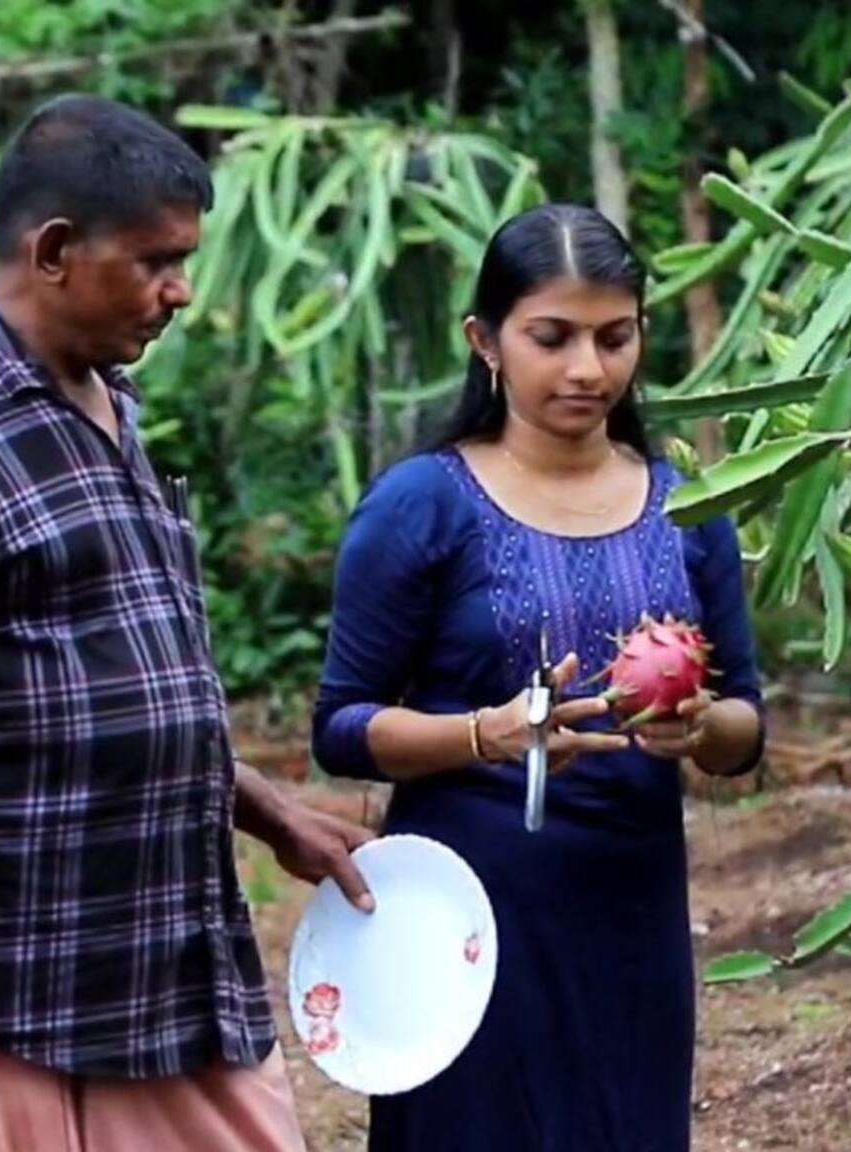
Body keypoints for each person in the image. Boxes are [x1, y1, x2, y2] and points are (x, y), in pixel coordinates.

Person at [0, 93, 375, 1152]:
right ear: (55, 250)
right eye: (156, 260)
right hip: (24, 1003)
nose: (180, 292)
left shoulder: (110, 407)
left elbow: (94, 677)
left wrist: (253, 804)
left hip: (176, 972)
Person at [309, 203, 768, 1151]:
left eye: (615, 337)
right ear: (486, 340)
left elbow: (748, 727)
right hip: (462, 914)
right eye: (551, 338)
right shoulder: (422, 504)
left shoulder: (689, 506)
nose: (588, 369)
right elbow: (342, 726)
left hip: (630, 907)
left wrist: (699, 729)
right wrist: (487, 734)